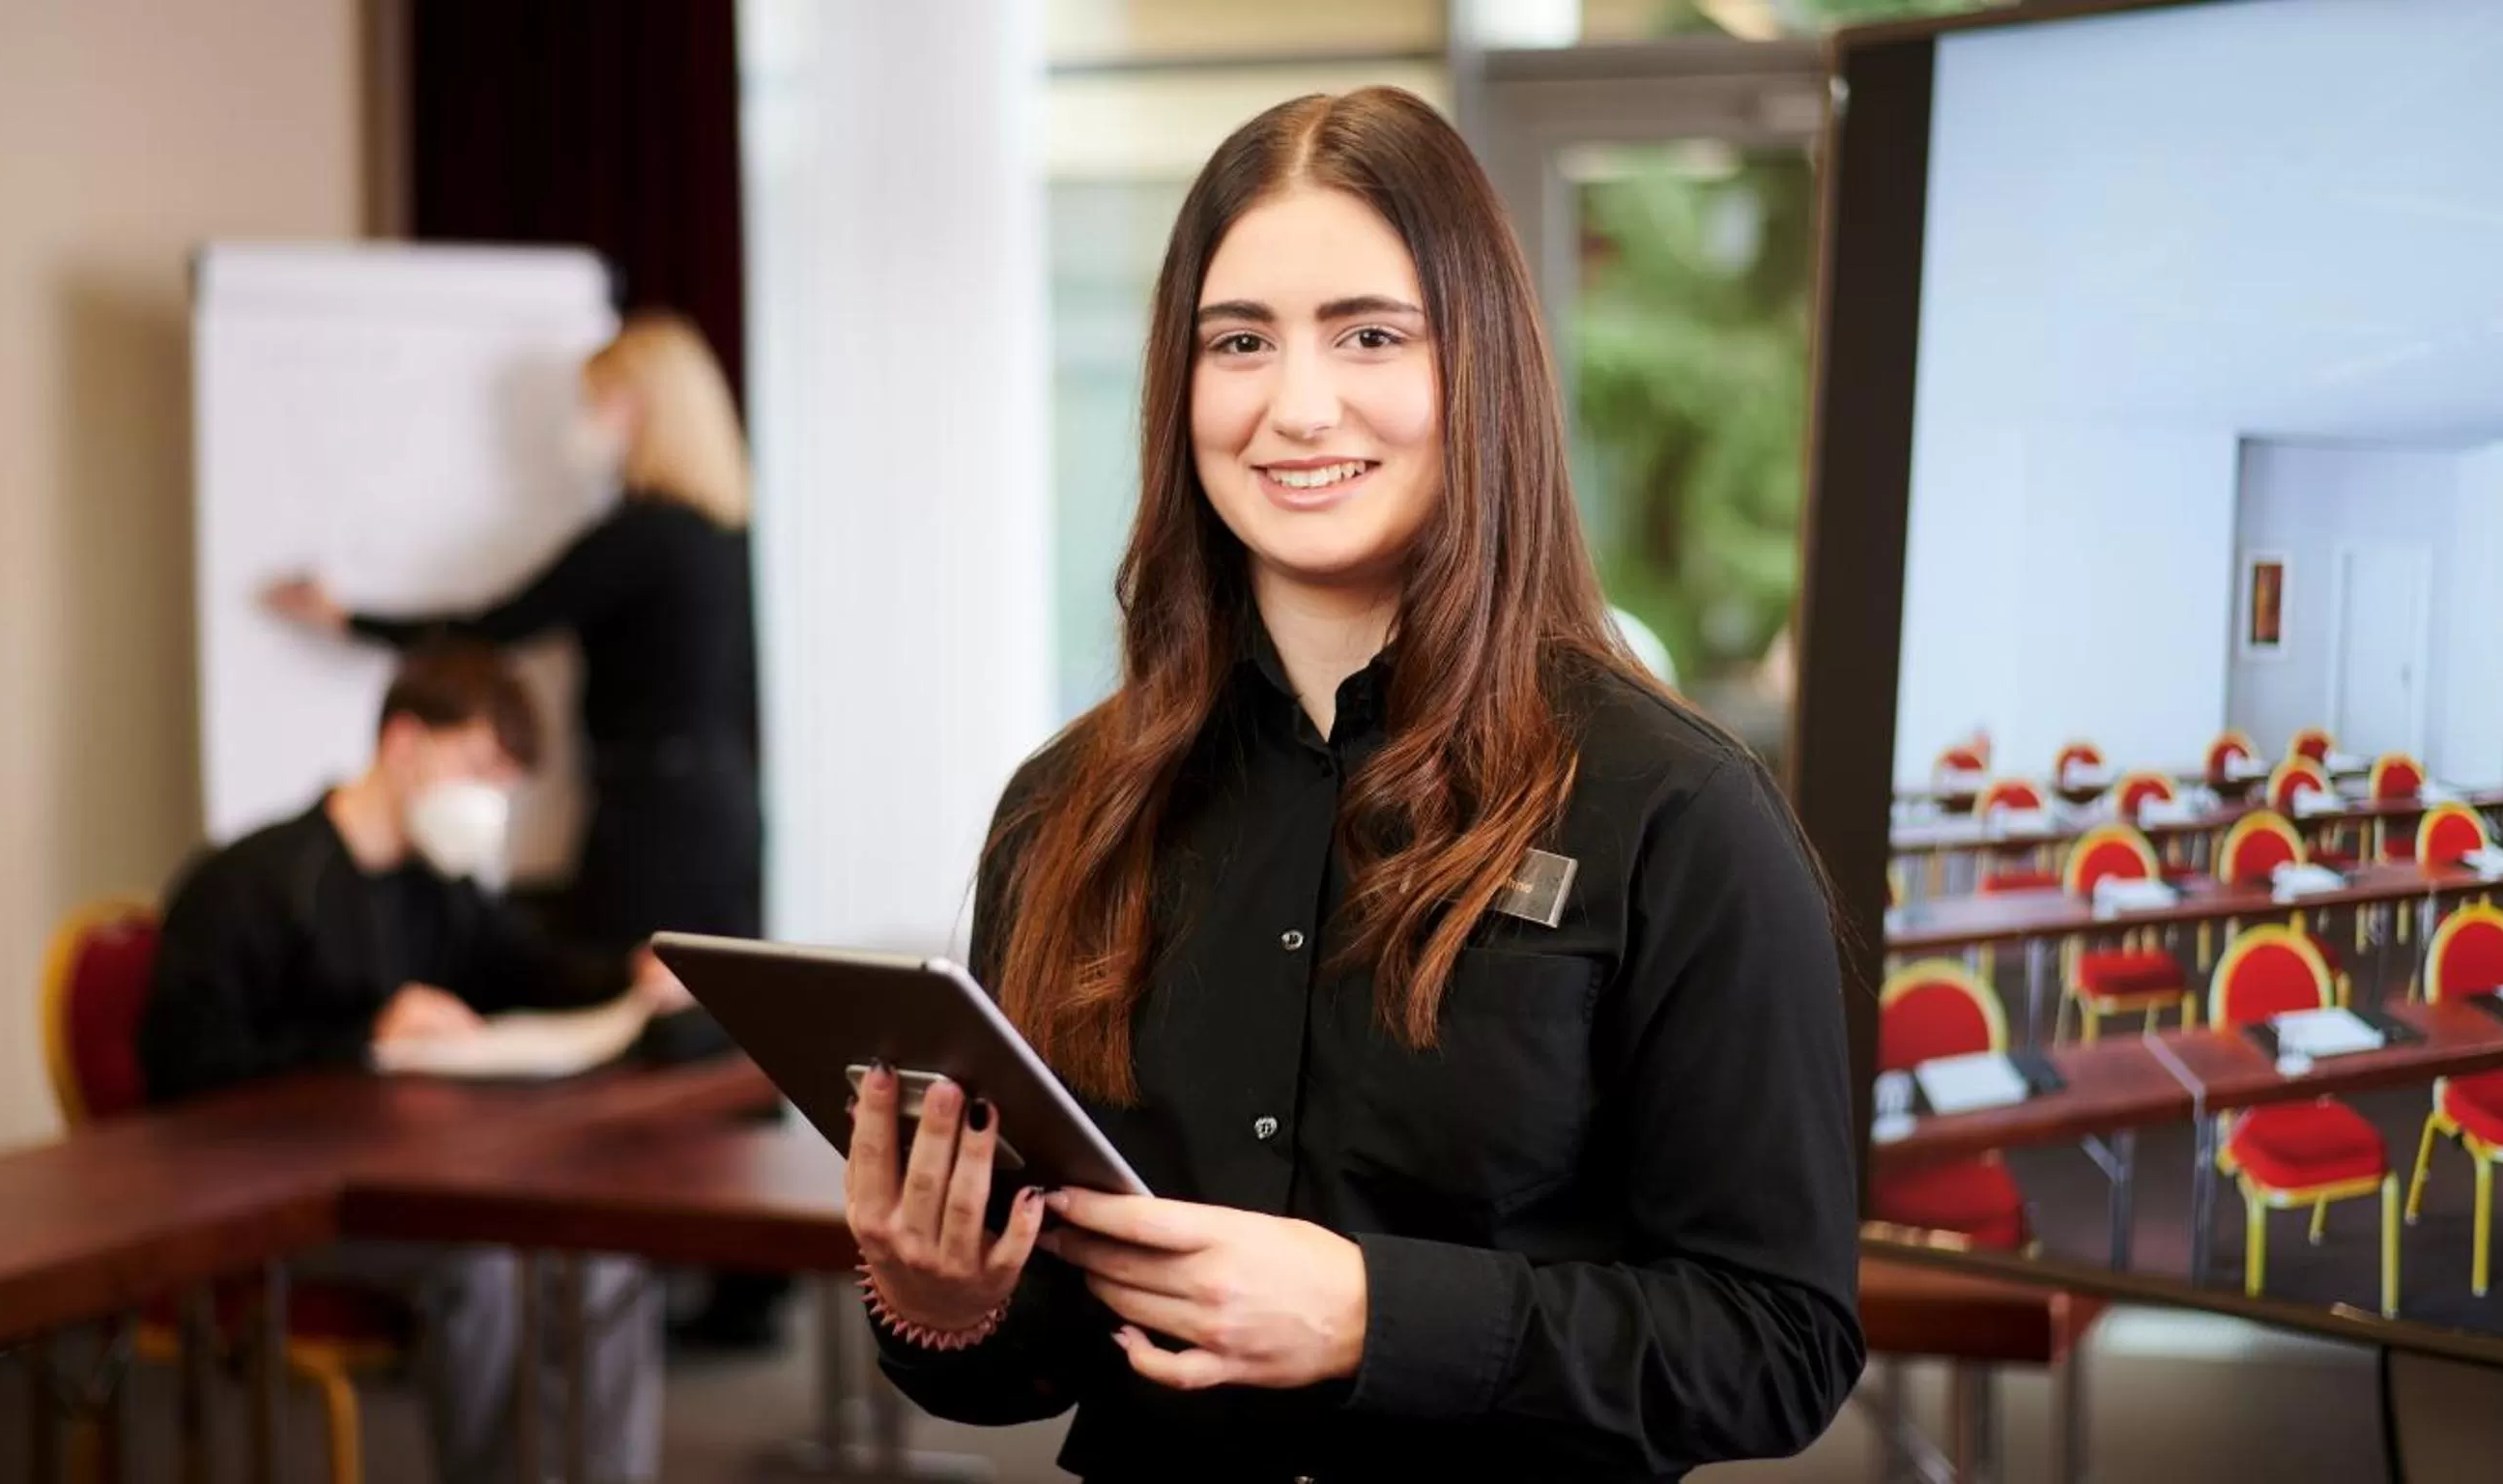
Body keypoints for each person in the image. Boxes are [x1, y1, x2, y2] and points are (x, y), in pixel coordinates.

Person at [839, 87, 1863, 1483]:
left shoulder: (1675, 812)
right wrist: (946, 1305)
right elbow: (1047, 1347)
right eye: (1240, 342)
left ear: (1480, 368)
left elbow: (1780, 1340)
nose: (1295, 405)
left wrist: (1378, 1317)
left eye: (1370, 335)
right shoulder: (1065, 809)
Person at [266, 308, 786, 1346]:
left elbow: (502, 621)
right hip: (719, 805)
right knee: (706, 1016)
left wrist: (351, 619)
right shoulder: (721, 532)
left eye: (600, 400)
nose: (587, 422)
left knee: (644, 1017)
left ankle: (644, 1278)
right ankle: (729, 1282)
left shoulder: (644, 534)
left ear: (642, 407)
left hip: (655, 818)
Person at [138, 640, 684, 1483]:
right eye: (477, 767)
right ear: (402, 742)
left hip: (408, 1180)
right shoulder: (248, 884)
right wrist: (364, 1043)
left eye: (503, 782)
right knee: (489, 1263)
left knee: (605, 1248)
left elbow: (528, 965)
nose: (489, 800)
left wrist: (632, 970)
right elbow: (186, 1074)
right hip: (288, 1200)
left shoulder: (440, 886)